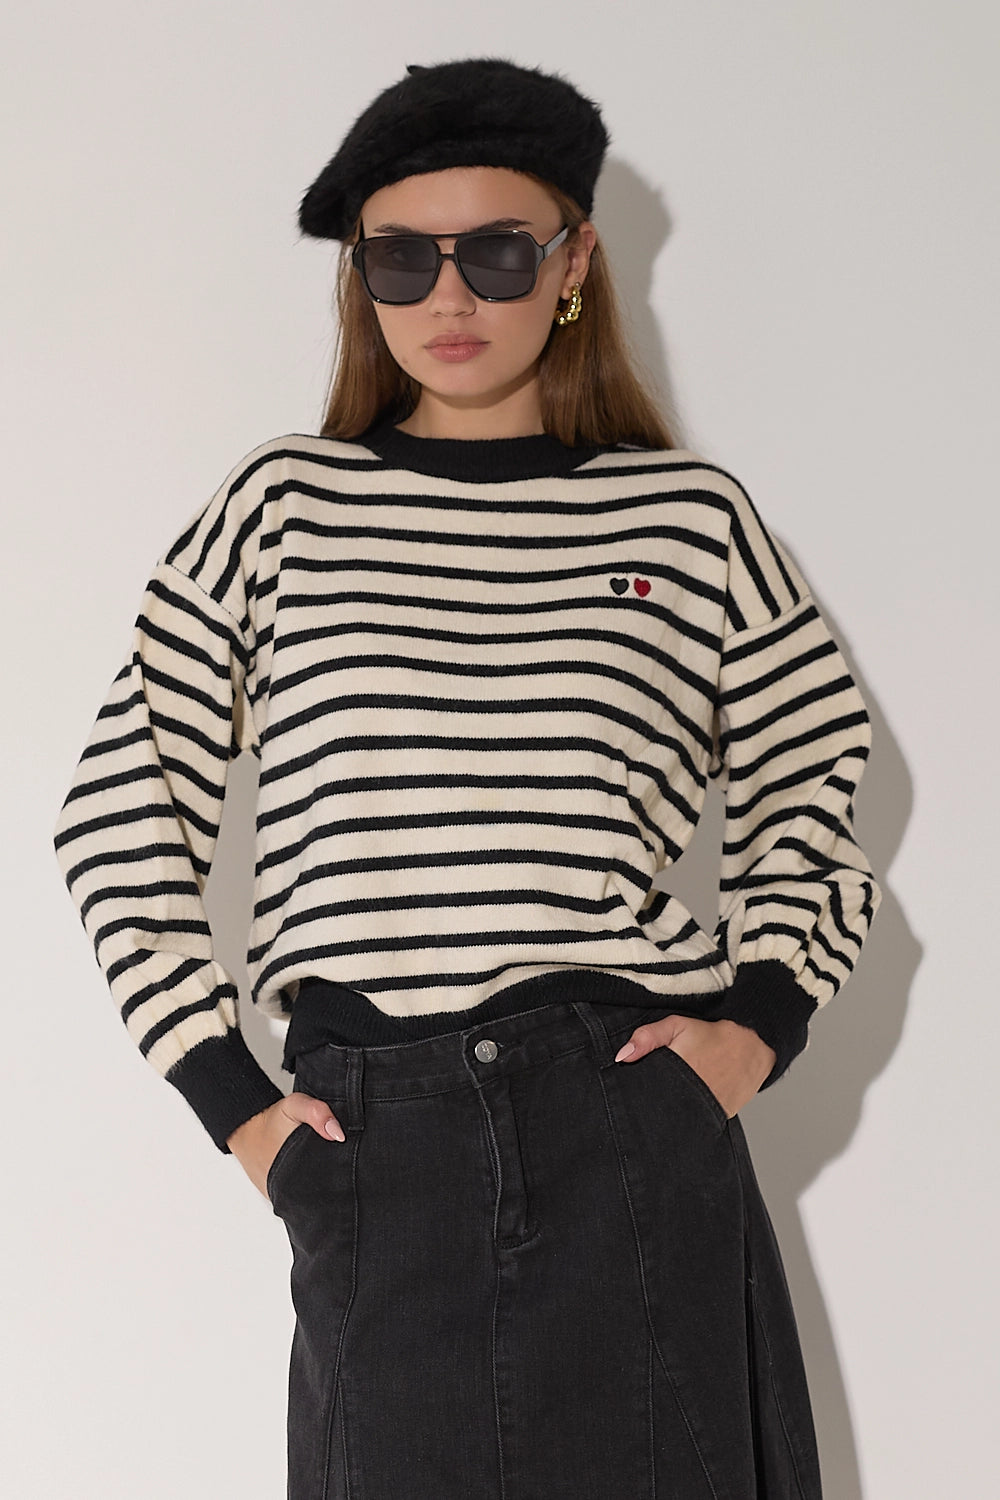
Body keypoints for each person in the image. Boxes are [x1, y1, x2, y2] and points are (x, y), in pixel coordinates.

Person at [53, 56, 880, 1500]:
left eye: (497, 252)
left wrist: (755, 1025)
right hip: (378, 1139)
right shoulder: (283, 509)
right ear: (359, 278)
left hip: (626, 1124)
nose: (450, 296)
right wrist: (238, 1108)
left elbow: (816, 777)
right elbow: (121, 810)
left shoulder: (685, 518)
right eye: (400, 258)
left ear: (574, 262)